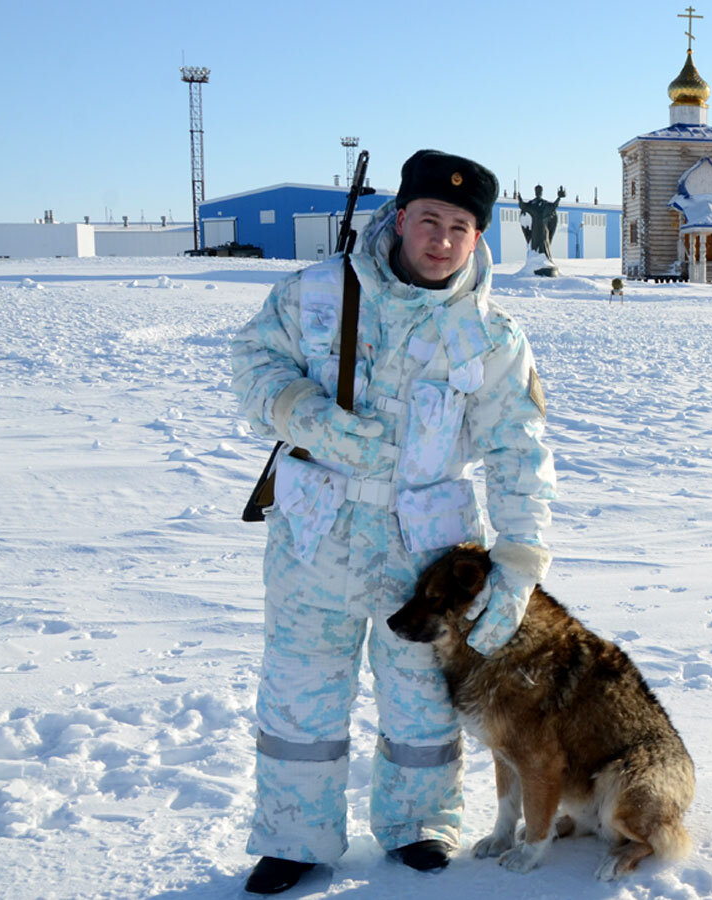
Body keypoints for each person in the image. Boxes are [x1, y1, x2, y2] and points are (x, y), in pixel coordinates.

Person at [229, 149, 555, 895]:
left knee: (421, 695)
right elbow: (253, 366)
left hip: (427, 551)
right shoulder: (317, 295)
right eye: (430, 220)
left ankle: (418, 828)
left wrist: (521, 562)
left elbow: (518, 450)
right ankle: (294, 838)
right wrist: (306, 416)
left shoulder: (493, 336)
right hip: (315, 536)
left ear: (479, 239)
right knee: (300, 691)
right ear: (401, 217)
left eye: (461, 226)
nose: (441, 239)